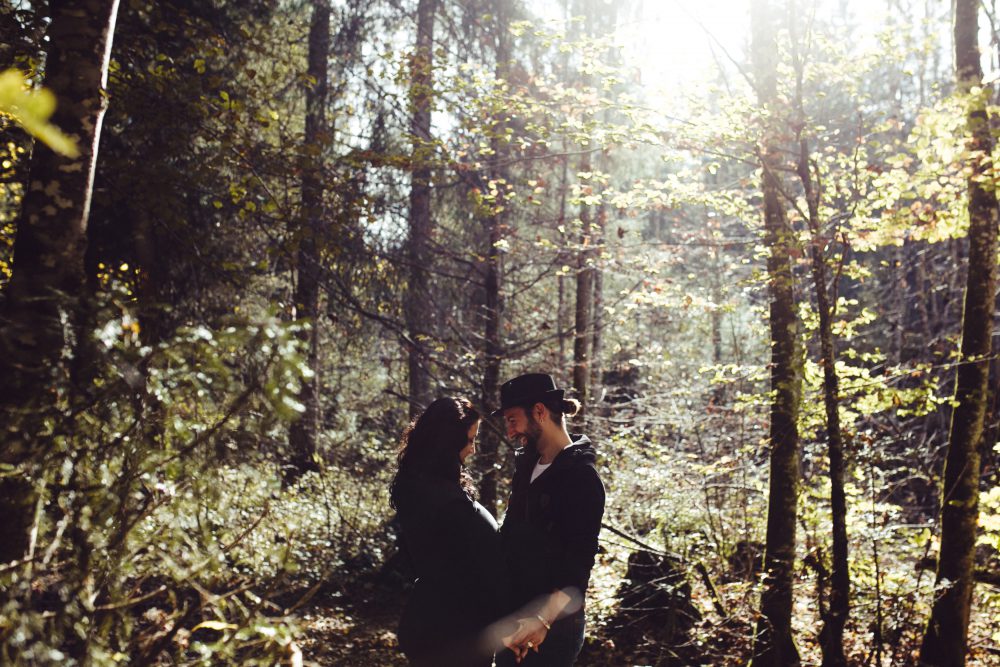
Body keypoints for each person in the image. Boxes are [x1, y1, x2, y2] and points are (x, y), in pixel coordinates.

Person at [494, 373, 606, 666]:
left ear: (539, 411)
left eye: (513, 420)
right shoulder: (526, 466)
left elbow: (578, 565)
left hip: (552, 628)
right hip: (513, 618)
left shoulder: (582, 478)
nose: (510, 432)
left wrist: (542, 621)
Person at [390, 396, 511, 667]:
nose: (473, 449)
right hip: (453, 635)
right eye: (470, 440)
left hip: (440, 623)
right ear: (447, 442)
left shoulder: (419, 485)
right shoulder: (441, 500)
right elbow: (473, 567)